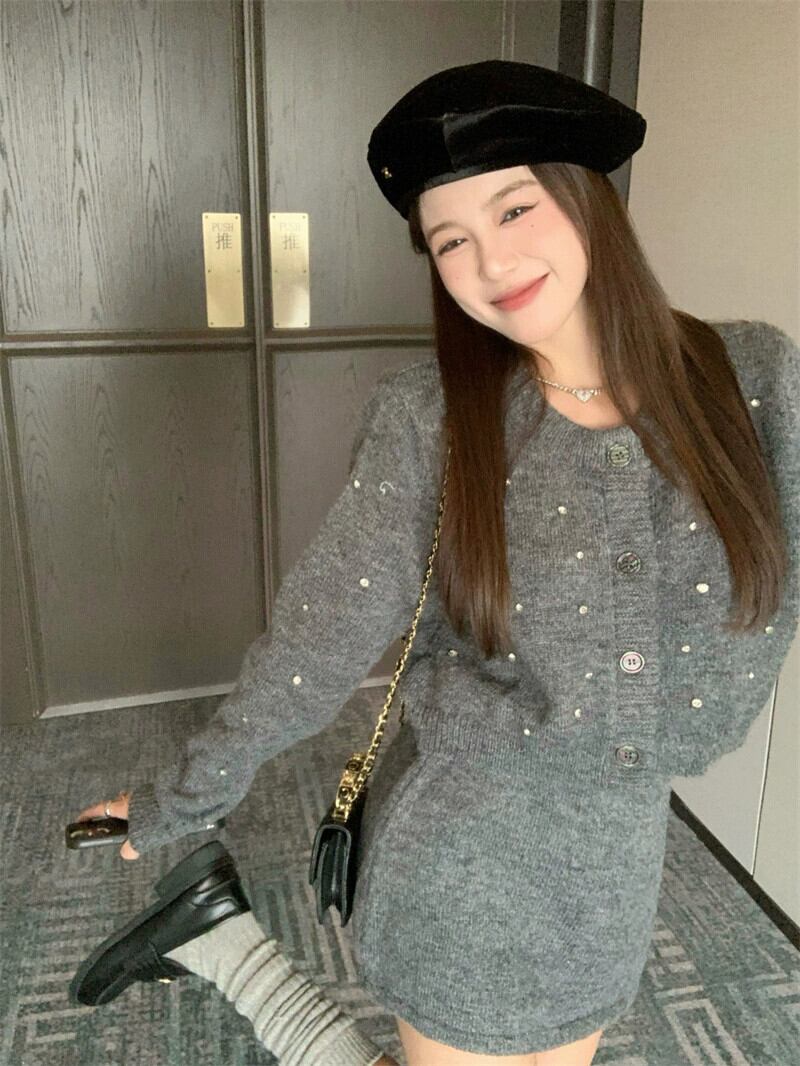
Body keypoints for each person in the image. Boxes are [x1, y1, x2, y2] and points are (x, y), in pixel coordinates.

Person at [69, 60, 800, 1066]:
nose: (489, 260)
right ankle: (222, 947)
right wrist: (185, 792)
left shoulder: (749, 377)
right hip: (465, 854)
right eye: (450, 240)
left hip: (617, 865)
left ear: (588, 199)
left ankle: (221, 945)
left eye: (514, 209)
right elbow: (322, 633)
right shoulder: (435, 419)